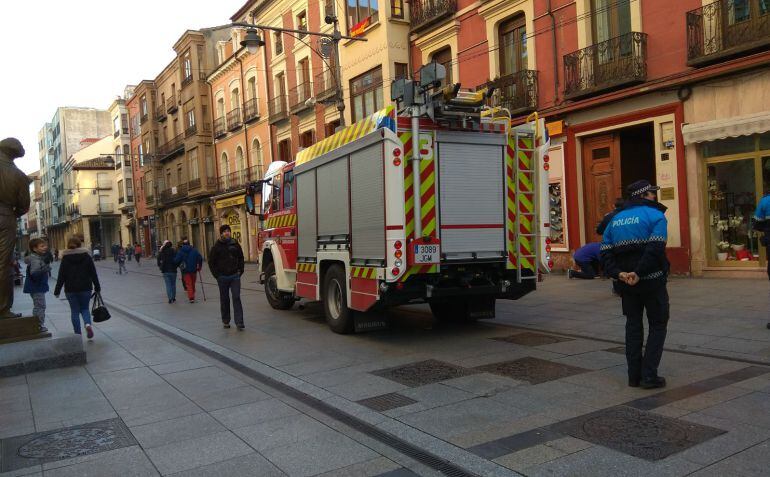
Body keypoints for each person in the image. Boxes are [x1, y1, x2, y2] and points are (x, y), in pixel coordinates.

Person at [601, 179, 669, 390]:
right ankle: (649, 375)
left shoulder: (614, 220)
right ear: (643, 195)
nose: (654, 197)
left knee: (633, 325)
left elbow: (605, 253)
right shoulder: (656, 216)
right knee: (658, 325)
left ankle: (633, 376)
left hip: (626, 284)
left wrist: (619, 274)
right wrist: (638, 273)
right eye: (651, 193)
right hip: (652, 281)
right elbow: (655, 249)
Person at [0, 138, 31, 319]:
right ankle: (3, 309)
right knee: (4, 264)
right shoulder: (18, 176)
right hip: (5, 217)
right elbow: (24, 206)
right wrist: (10, 214)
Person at [54, 236, 101, 339]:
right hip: (85, 287)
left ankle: (77, 335)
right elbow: (93, 273)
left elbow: (61, 276)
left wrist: (57, 290)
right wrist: (97, 286)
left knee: (74, 311)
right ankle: (87, 324)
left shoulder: (65, 258)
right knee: (84, 308)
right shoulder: (86, 256)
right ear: (80, 244)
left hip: (70, 289)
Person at [209, 225, 245, 330]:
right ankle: (226, 321)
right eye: (224, 231)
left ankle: (239, 322)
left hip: (235, 276)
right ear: (221, 233)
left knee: (236, 297)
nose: (227, 233)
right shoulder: (216, 247)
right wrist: (217, 275)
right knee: (225, 299)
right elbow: (211, 262)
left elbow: (241, 257)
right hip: (223, 277)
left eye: (228, 231)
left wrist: (240, 270)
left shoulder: (235, 243)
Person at [23, 238, 51, 332]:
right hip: (37, 286)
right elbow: (35, 273)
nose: (45, 247)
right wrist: (46, 267)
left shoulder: (36, 257)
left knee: (38, 305)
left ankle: (36, 324)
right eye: (42, 246)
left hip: (36, 286)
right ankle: (38, 325)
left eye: (45, 245)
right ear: (35, 249)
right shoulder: (35, 258)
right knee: (40, 306)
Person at [175, 238, 203, 303]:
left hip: (185, 270)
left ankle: (191, 297)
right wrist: (199, 266)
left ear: (183, 244)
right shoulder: (194, 250)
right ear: (189, 244)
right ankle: (192, 295)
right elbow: (200, 258)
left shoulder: (180, 251)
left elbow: (176, 260)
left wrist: (177, 264)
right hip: (194, 270)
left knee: (188, 284)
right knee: (193, 283)